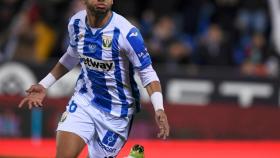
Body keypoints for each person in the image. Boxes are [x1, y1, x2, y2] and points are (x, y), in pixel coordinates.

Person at [18, 0, 170, 158]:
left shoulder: (127, 33)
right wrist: (44, 84)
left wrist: (159, 108)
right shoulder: (76, 23)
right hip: (85, 101)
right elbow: (72, 55)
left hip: (117, 114)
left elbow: (147, 72)